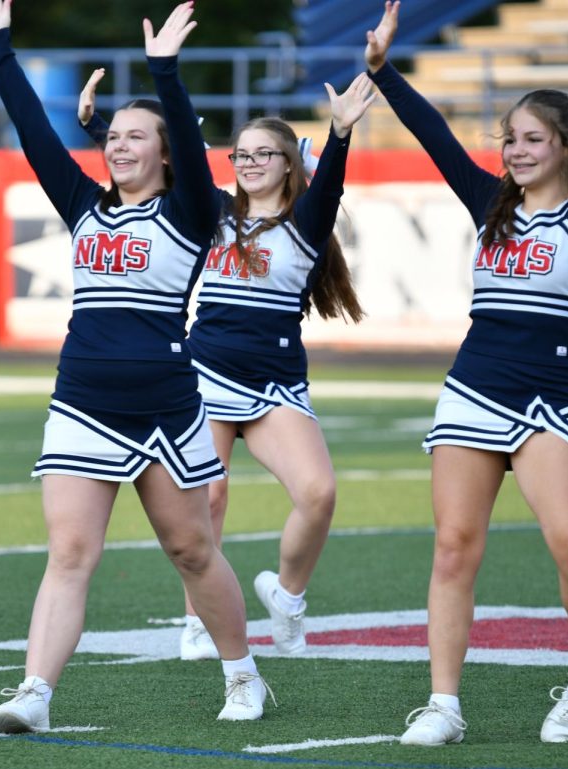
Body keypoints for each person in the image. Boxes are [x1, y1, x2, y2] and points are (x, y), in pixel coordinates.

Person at [0, 0, 272, 732]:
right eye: (113, 136)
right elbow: (36, 132)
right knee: (69, 552)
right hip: (81, 399)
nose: (119, 145)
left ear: (167, 152)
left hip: (164, 407)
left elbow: (197, 166)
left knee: (192, 551)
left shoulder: (189, 212)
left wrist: (165, 73)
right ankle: (34, 694)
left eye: (137, 137)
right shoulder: (83, 206)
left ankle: (243, 676)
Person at [363, 1, 568, 744]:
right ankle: (444, 704)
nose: (515, 150)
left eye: (532, 139)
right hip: (473, 389)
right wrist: (382, 72)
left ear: (564, 145)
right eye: (509, 138)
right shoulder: (490, 205)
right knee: (454, 546)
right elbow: (434, 137)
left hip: (548, 395)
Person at [78, 71, 375, 659]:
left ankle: (288, 599)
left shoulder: (306, 223)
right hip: (205, 376)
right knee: (207, 500)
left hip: (276, 385)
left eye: (265, 154)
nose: (250, 162)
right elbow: (154, 162)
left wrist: (340, 134)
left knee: (318, 494)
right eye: (241, 154)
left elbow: (332, 186)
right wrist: (95, 126)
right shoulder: (209, 212)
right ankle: (197, 623)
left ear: (290, 163)